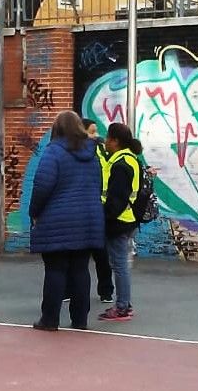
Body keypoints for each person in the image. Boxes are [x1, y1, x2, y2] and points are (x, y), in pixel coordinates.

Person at [29, 111, 105, 331]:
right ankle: (80, 320)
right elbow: (97, 185)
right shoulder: (93, 154)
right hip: (88, 220)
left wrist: (35, 212)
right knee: (81, 270)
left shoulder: (54, 152)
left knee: (55, 269)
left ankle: (50, 319)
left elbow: (43, 185)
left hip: (58, 220)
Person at [98, 122, 141, 322]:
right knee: (120, 264)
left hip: (118, 222)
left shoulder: (120, 165)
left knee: (119, 265)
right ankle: (124, 304)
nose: (105, 141)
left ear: (115, 141)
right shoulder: (130, 160)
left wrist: (105, 217)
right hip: (127, 219)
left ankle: (123, 307)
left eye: (108, 138)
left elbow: (116, 199)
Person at [80, 118, 114, 304]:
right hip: (84, 206)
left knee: (101, 253)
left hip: (100, 206)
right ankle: (71, 290)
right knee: (78, 254)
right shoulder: (75, 151)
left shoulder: (101, 150)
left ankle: (106, 290)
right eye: (92, 132)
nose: (97, 135)